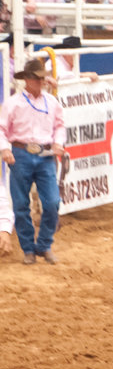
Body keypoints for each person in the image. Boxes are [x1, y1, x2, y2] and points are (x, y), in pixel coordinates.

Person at [0, 60, 64, 265]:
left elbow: (60, 126)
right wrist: (5, 149)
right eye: (36, 78)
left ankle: (44, 244)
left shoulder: (52, 102)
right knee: (20, 204)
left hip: (45, 154)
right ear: (27, 79)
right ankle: (29, 248)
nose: (40, 81)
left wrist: (59, 143)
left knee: (52, 202)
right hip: (20, 153)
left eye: (42, 78)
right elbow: (1, 129)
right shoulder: (12, 103)